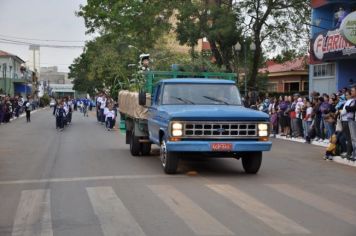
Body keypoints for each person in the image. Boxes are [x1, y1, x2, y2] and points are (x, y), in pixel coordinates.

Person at [345, 85, 356, 161]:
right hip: (352, 119)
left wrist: (348, 108)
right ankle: (354, 154)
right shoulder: (353, 100)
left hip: (353, 119)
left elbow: (351, 108)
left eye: (352, 90)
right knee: (353, 138)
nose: (351, 92)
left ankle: (354, 154)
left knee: (354, 138)